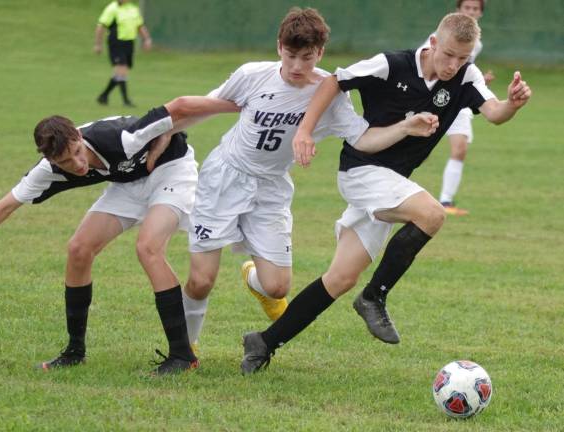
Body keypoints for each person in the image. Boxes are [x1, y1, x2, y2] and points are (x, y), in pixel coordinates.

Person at [241, 12, 531, 374]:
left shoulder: (466, 76)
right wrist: (304, 131)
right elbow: (334, 81)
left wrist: (513, 105)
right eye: (449, 55)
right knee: (432, 213)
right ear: (434, 44)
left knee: (340, 278)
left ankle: (264, 343)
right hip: (362, 171)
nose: (455, 65)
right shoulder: (390, 65)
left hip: (392, 184)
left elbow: (494, 112)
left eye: (464, 58)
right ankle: (373, 297)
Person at [176, 7, 440, 351]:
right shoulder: (252, 75)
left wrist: (406, 126)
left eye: (307, 57)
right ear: (278, 48)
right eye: (290, 55)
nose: (298, 66)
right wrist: (168, 135)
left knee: (277, 287)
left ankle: (253, 281)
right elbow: (206, 105)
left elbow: (362, 139)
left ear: (320, 53)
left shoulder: (329, 93)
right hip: (225, 177)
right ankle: (186, 348)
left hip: (271, 187)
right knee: (200, 281)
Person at [0, 96, 239, 375]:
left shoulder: (121, 137)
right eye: (63, 162)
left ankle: (183, 355)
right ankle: (75, 352)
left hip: (171, 170)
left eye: (76, 152)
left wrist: (235, 104)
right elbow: (7, 205)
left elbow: (180, 107)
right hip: (129, 182)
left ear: (78, 135)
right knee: (78, 249)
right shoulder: (49, 169)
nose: (75, 165)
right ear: (51, 160)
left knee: (148, 248)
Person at [437, 0, 494, 215]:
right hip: (431, 97)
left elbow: (462, 70)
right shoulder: (443, 35)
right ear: (458, 10)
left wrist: (478, 82)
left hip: (457, 100)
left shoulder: (475, 43)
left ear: (480, 13)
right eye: (467, 8)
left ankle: (445, 202)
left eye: (475, 9)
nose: (471, 12)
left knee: (460, 148)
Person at [94, 0, 152, 107]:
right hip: (117, 42)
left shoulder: (133, 9)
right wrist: (98, 44)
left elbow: (140, 25)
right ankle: (126, 101)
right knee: (122, 69)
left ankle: (104, 95)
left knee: (121, 72)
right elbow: (101, 26)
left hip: (129, 43)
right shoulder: (112, 8)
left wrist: (147, 39)